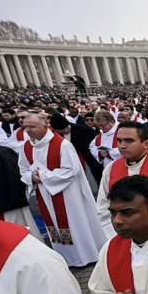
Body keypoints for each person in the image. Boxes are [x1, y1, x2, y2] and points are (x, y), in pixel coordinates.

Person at [17, 113, 106, 267]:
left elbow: (72, 169)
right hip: (44, 194)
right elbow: (23, 168)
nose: (28, 130)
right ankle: (66, 257)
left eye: (32, 127)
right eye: (26, 127)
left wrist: (43, 177)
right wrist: (32, 178)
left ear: (45, 125)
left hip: (68, 194)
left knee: (74, 224)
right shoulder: (26, 147)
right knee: (54, 226)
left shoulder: (62, 144)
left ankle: (84, 256)